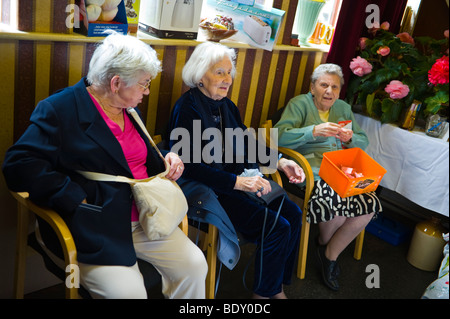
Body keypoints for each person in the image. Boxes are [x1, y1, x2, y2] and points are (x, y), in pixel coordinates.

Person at [2, 31, 207, 299]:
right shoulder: (60, 110)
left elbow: (131, 156)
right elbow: (19, 164)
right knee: (129, 294)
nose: (146, 91)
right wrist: (73, 197)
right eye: (144, 84)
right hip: (97, 224)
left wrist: (167, 157)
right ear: (115, 82)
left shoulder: (129, 109)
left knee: (194, 265)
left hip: (147, 216)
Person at [167, 41, 305, 299]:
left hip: (238, 182)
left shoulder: (227, 106)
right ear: (199, 75)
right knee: (276, 226)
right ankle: (264, 294)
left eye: (229, 72)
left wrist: (280, 161)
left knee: (293, 214)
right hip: (209, 190)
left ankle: (275, 285)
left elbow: (246, 143)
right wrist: (238, 183)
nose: (227, 79)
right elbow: (191, 167)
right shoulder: (187, 109)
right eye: (219, 72)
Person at [275, 63, 382, 291]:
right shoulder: (299, 104)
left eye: (334, 86)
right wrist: (312, 131)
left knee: (369, 203)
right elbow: (279, 137)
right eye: (323, 85)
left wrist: (351, 138)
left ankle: (329, 253)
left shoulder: (342, 107)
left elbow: (363, 141)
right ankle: (325, 244)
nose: (329, 91)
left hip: (342, 169)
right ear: (312, 87)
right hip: (312, 169)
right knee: (336, 199)